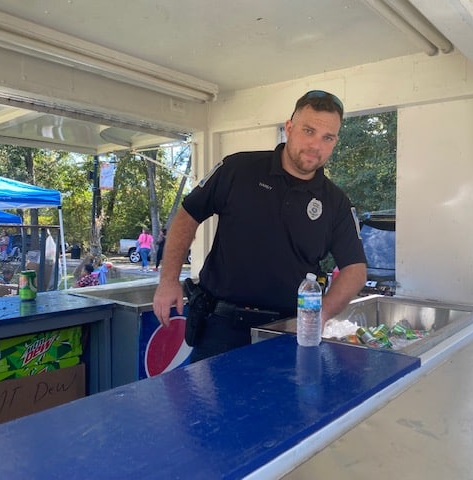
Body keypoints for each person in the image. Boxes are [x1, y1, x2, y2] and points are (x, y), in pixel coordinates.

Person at [153, 90, 367, 363]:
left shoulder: (335, 201)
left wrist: (319, 315)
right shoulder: (239, 169)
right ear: (289, 128)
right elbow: (188, 215)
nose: (316, 145)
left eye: (328, 137)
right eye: (308, 131)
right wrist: (168, 280)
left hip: (287, 331)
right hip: (220, 326)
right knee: (205, 394)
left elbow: (355, 270)